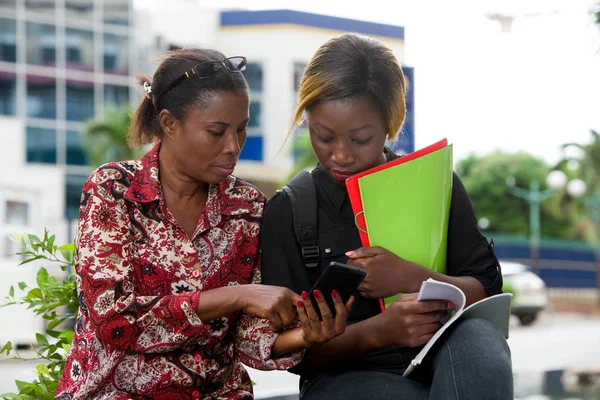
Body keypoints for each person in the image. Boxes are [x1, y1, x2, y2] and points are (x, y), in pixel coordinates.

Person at [55, 49, 351, 400]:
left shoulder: (248, 208)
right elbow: (114, 320)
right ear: (169, 124)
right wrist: (236, 295)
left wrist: (307, 335)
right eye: (216, 131)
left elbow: (247, 337)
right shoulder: (113, 190)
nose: (233, 147)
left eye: (241, 130)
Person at [261, 33, 513, 400]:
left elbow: (486, 296)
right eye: (324, 137)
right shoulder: (291, 210)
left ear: (390, 126)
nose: (341, 156)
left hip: (442, 357)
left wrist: (411, 277)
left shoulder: (434, 184)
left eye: (360, 139)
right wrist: (380, 331)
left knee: (479, 338)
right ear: (307, 120)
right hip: (345, 378)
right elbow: (286, 350)